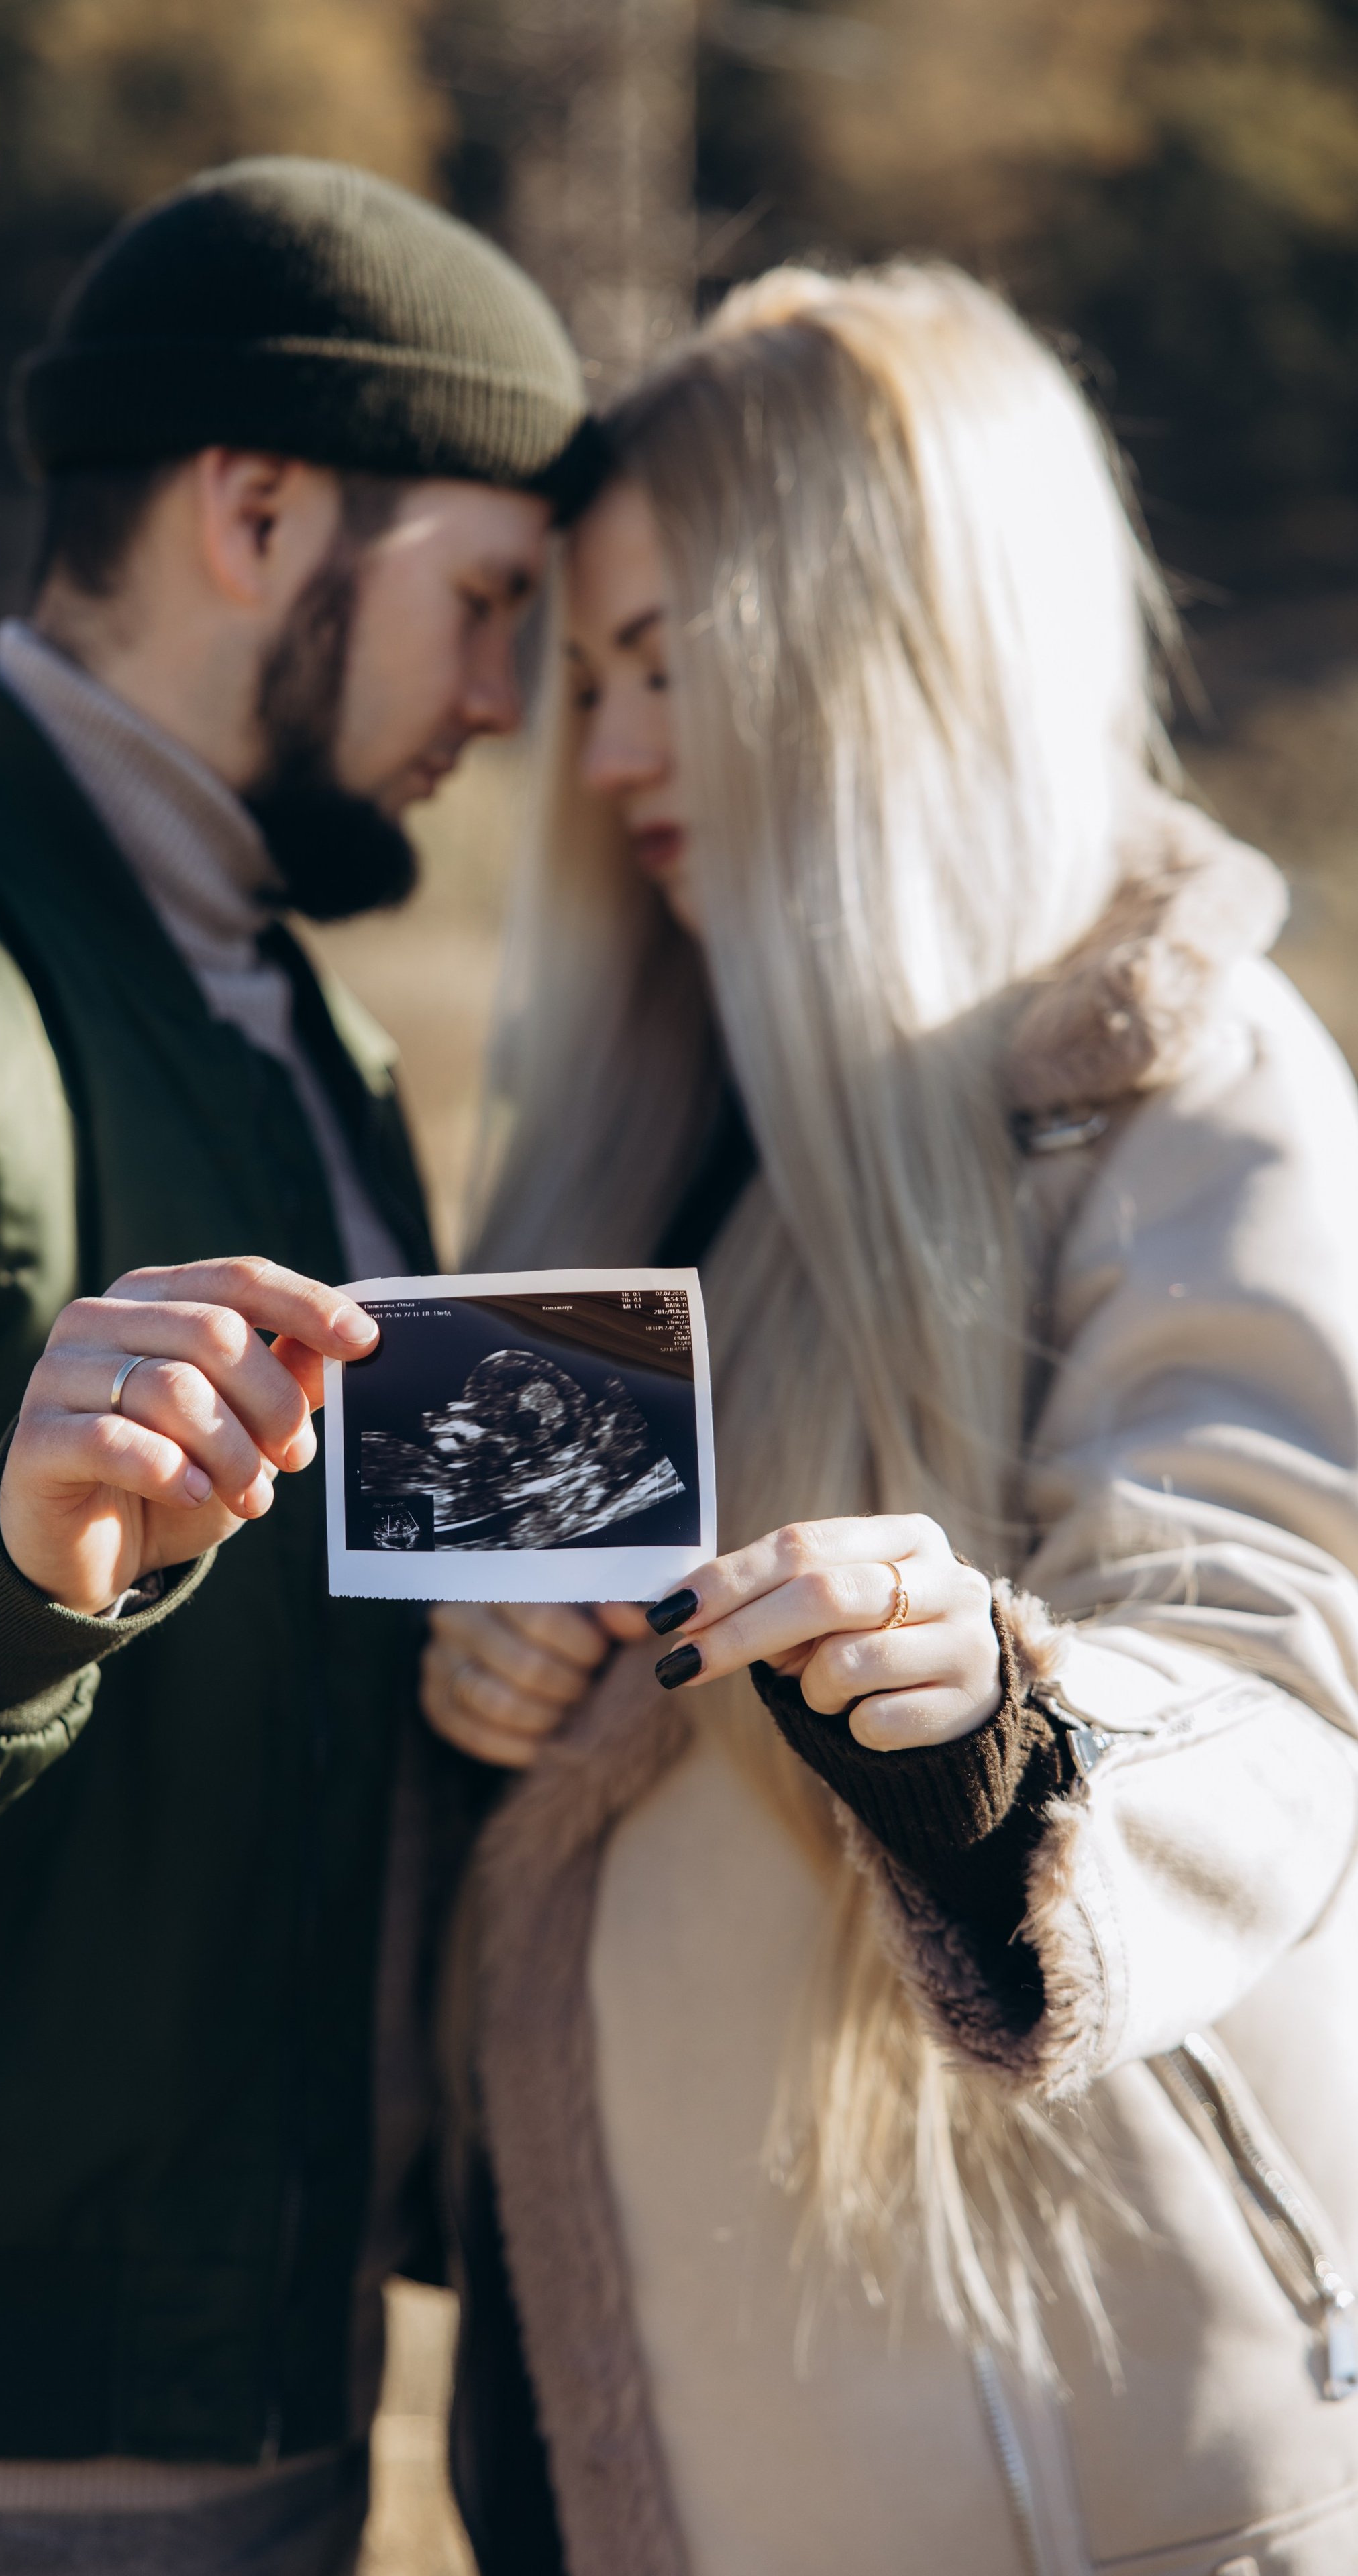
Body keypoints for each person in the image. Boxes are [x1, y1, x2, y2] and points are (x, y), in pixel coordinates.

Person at [0, 158, 592, 2573]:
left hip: (243, 2383)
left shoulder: (301, 1024)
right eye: (485, 603)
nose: (503, 701)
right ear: (260, 511)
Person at [425, 260, 1358, 2575]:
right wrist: (480, 1665)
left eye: (674, 662)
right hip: (625, 2418)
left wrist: (1001, 1734)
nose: (613, 755)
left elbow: (1272, 1652)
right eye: (591, 679)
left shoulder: (1186, 1086)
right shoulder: (629, 1118)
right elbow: (554, 1689)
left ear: (894, 644)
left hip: (1074, 2461)